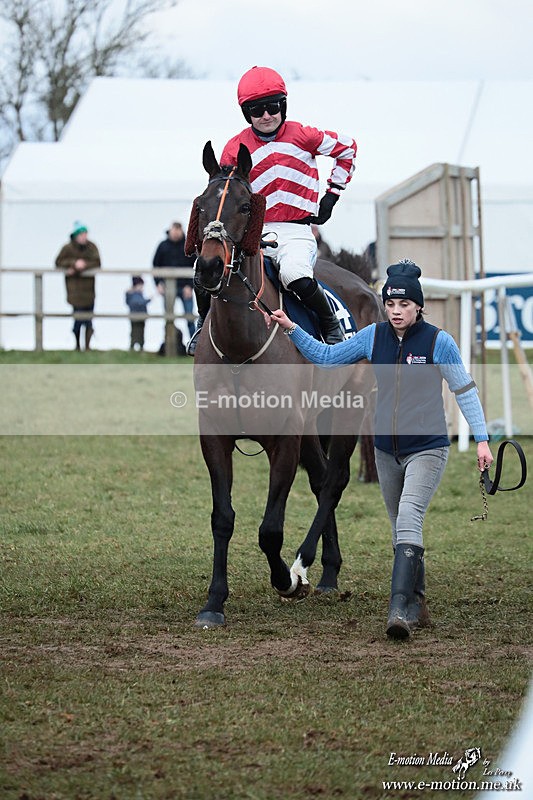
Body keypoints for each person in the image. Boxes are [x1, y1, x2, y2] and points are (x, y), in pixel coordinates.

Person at [268, 259, 494, 640]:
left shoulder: (439, 342)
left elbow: (464, 389)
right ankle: (418, 601)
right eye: (391, 304)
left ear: (418, 307)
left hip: (428, 448)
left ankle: (399, 610)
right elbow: (325, 358)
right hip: (387, 451)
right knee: (399, 529)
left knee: (408, 516)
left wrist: (483, 438)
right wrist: (292, 329)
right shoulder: (372, 336)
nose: (396, 311)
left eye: (404, 305)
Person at [187, 65, 357, 355]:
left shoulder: (305, 134)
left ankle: (331, 325)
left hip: (296, 231)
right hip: (253, 231)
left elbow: (347, 149)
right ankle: (203, 326)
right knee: (205, 270)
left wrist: (332, 195)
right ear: (246, 114)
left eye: (272, 107)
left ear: (283, 106)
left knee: (293, 275)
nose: (266, 115)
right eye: (256, 110)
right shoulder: (234, 147)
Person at [55, 221, 101, 350]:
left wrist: (84, 265)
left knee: (88, 319)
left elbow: (97, 262)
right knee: (78, 319)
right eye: (81, 234)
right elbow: (58, 262)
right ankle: (77, 345)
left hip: (89, 291)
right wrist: (73, 264)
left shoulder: (92, 247)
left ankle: (87, 346)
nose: (84, 237)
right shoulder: (67, 248)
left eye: (85, 234)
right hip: (75, 291)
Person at [152, 222, 196, 350]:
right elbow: (155, 265)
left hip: (185, 288)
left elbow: (196, 266)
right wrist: (158, 283)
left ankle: (194, 346)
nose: (176, 233)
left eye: (178, 230)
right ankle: (168, 346)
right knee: (168, 319)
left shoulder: (188, 246)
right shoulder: (163, 246)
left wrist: (190, 286)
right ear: (170, 230)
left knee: (189, 317)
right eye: (174, 230)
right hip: (168, 288)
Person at [125, 276, 151, 351]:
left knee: (140, 332)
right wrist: (150, 299)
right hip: (136, 317)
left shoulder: (136, 294)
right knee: (136, 332)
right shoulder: (134, 295)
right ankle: (134, 346)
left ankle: (139, 346)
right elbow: (140, 302)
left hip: (140, 317)